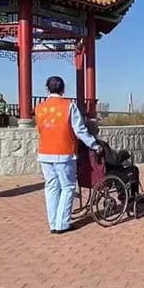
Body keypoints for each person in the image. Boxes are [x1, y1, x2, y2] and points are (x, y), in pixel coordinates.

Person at [35, 76, 98, 234]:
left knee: (51, 187)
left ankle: (53, 223)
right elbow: (80, 131)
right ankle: (62, 223)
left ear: (47, 89)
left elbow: (41, 129)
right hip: (64, 152)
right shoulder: (69, 106)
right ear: (63, 89)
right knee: (67, 187)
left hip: (45, 152)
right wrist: (94, 144)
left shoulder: (39, 108)